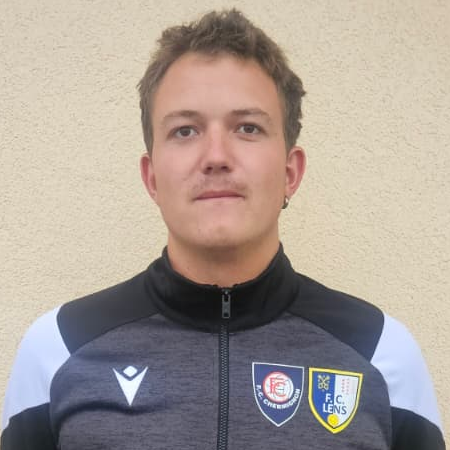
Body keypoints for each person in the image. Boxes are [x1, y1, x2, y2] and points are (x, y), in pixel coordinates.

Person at [1, 9, 445, 450]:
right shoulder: (58, 348)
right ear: (152, 177)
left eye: (247, 128)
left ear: (290, 172)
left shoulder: (382, 354)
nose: (216, 156)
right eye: (185, 130)